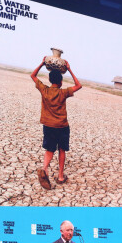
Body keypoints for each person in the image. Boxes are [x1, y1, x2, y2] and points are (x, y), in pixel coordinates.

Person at [30, 57, 82, 189]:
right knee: (62, 150)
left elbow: (32, 75)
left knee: (49, 149)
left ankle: (45, 169)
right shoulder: (63, 93)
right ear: (61, 81)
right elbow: (78, 85)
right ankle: (60, 176)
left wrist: (42, 63)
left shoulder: (44, 90)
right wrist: (69, 69)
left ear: (49, 80)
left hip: (48, 126)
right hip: (62, 126)